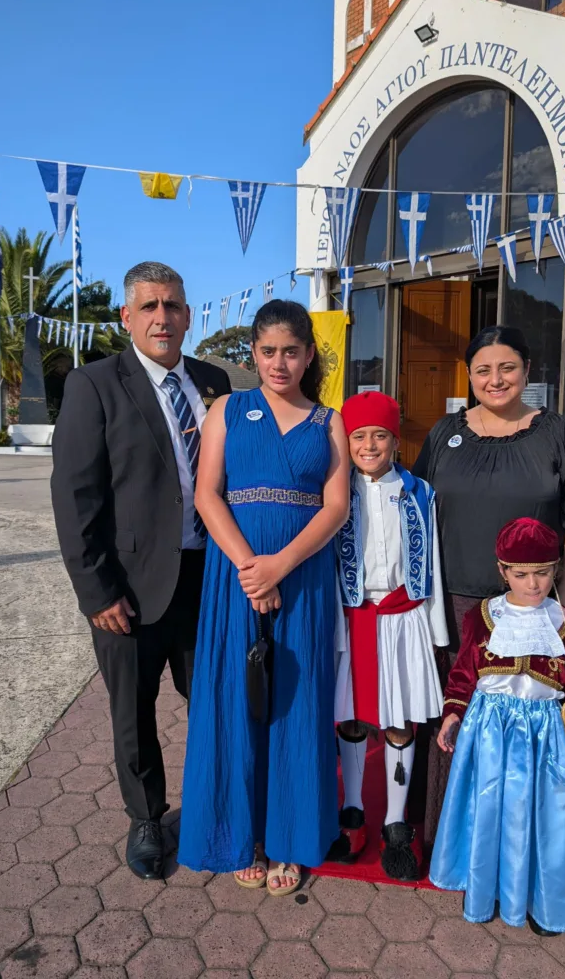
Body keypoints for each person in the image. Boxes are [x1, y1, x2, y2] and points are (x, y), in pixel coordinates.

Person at [51, 261, 231, 880]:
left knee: (213, 700)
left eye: (172, 305)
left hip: (208, 581)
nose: (162, 317)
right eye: (150, 307)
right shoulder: (94, 384)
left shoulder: (214, 381)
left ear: (188, 314)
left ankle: (214, 803)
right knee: (133, 711)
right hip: (129, 587)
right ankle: (147, 818)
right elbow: (76, 496)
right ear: (127, 317)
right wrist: (96, 590)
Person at [177, 299, 349, 896]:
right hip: (235, 579)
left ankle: (288, 841)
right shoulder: (226, 409)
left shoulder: (329, 421)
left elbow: (336, 507)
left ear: (309, 355)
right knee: (234, 698)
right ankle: (239, 836)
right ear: (254, 352)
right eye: (269, 351)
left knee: (296, 705)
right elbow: (207, 495)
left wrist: (281, 565)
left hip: (303, 579)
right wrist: (253, 570)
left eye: (291, 352)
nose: (279, 363)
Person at [412, 325, 565, 843]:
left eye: (507, 367)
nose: (495, 379)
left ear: (527, 371)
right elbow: (414, 509)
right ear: (469, 376)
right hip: (450, 607)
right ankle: (448, 838)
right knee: (453, 721)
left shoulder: (555, 433)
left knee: (518, 731)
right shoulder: (445, 433)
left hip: (526, 609)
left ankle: (513, 845)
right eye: (483, 370)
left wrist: (563, 596)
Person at [430, 517, 565, 933]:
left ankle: (539, 899)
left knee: (539, 815)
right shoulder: (483, 616)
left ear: (556, 570)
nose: (533, 585)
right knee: (488, 807)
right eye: (520, 574)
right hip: (488, 731)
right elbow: (463, 674)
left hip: (543, 736)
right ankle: (485, 884)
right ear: (502, 571)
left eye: (543, 573)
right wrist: (453, 714)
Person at [326, 392, 448, 882]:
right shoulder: (334, 492)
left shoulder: (420, 493)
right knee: (352, 719)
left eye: (380, 436)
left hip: (403, 619)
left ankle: (396, 824)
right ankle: (353, 812)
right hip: (353, 617)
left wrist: (436, 631)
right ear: (346, 442)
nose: (369, 445)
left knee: (400, 721)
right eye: (359, 436)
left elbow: (432, 563)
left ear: (396, 441)